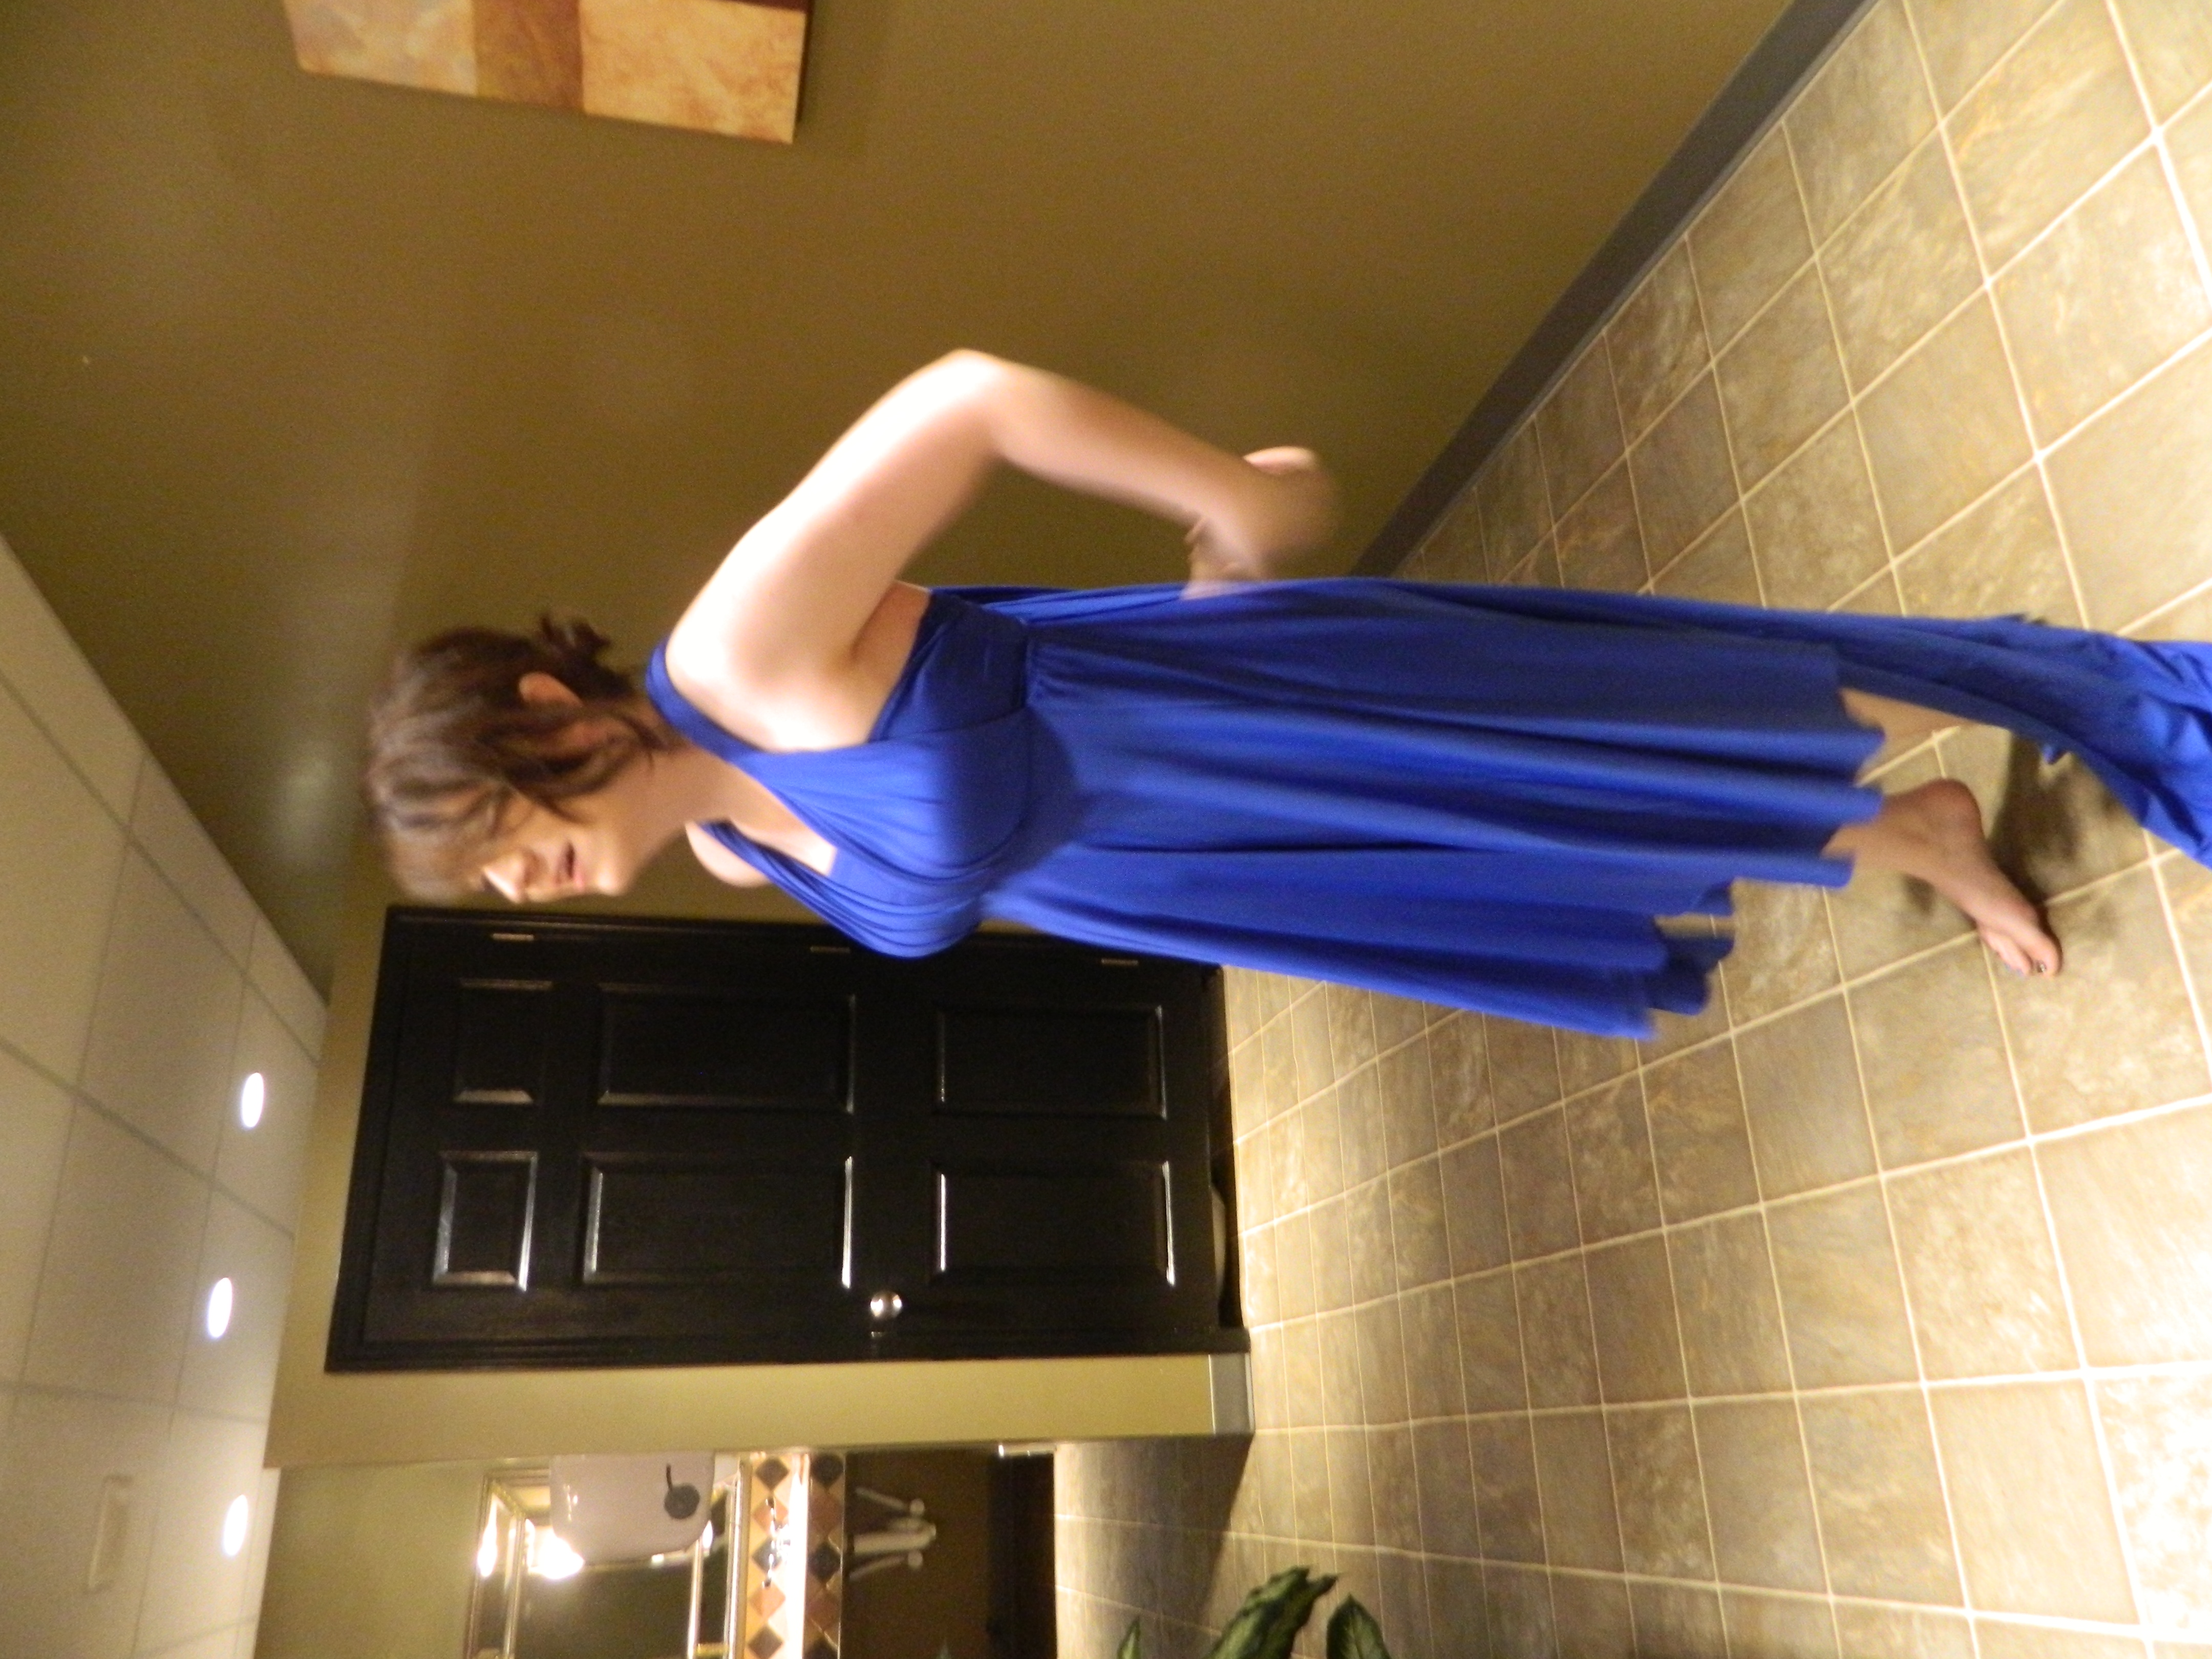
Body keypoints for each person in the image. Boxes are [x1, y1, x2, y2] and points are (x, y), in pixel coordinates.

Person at [366, 352, 2212, 1037]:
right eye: (494, 888)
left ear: (545, 715)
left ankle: (2014, 728)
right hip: (1199, 869)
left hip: (1251, 730)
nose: (520, 888)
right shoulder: (730, 855)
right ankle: (1921, 834)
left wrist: (1226, 509)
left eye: (497, 843)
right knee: (1562, 853)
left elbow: (966, 400)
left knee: (1621, 727)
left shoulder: (736, 656)